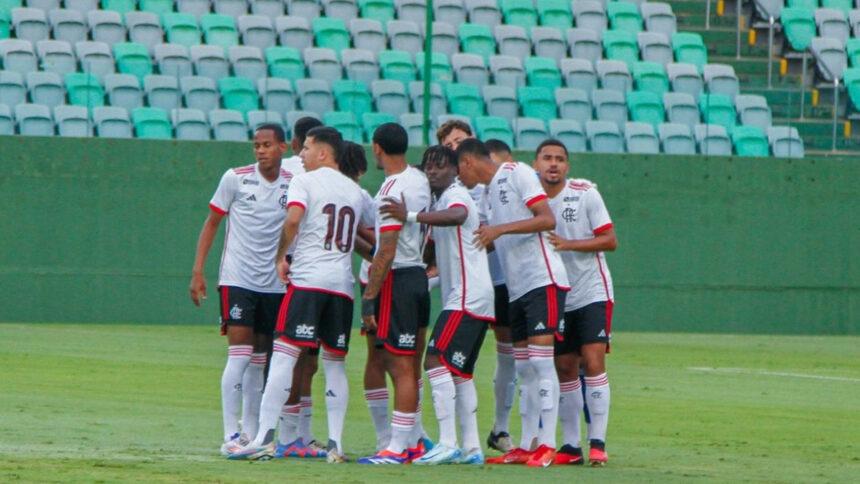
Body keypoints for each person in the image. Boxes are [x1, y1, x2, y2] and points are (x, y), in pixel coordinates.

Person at [228, 127, 370, 462]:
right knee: (335, 363)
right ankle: (335, 443)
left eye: (306, 148)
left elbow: (292, 221)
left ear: (323, 153)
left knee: (284, 355)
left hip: (307, 281)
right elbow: (367, 234)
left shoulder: (304, 182)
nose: (301, 154)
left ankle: (264, 437)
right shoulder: (356, 191)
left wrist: (280, 257)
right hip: (342, 287)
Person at [456, 139, 570, 467]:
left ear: (467, 163)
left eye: (460, 169)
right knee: (523, 367)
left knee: (541, 363)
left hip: (542, 280)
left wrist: (499, 229)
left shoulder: (517, 172)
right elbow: (493, 238)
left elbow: (546, 219)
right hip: (518, 288)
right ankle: (526, 443)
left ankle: (547, 444)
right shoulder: (490, 192)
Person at [380, 146, 493, 465]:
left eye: (441, 166)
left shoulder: (456, 195)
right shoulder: (440, 200)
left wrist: (410, 216)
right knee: (460, 374)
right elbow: (434, 244)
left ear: (456, 170)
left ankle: (447, 442)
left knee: (433, 360)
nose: (433, 171)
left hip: (467, 297)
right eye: (429, 166)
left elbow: (457, 216)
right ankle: (471, 448)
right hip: (471, 296)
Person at [189, 124, 296, 456]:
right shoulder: (234, 178)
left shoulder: (294, 184)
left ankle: (251, 432)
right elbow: (212, 222)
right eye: (256, 145)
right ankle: (229, 432)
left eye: (267, 145)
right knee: (239, 353)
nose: (261, 150)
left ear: (283, 147)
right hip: (238, 279)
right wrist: (198, 271)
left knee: (261, 358)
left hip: (275, 284)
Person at [534, 139, 617, 466]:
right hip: (557, 294)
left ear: (567, 166)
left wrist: (569, 244)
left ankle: (597, 442)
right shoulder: (531, 200)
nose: (553, 164)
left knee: (593, 360)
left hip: (592, 290)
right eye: (547, 158)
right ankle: (570, 446)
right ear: (536, 163)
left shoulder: (585, 194)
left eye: (559, 159)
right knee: (564, 366)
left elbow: (610, 240)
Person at [438, 124, 517, 453]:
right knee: (455, 361)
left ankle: (501, 428)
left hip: (501, 280)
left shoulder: (493, 181)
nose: (455, 147)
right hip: (463, 282)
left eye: (460, 141)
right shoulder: (447, 188)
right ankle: (454, 438)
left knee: (515, 357)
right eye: (449, 143)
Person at [357, 123, 432, 465]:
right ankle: (412, 440)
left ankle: (396, 447)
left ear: (377, 148)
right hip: (417, 276)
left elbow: (385, 251)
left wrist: (369, 297)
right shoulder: (419, 179)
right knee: (407, 363)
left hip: (398, 278)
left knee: (399, 365)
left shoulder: (392, 186)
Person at [275, 116, 329, 459]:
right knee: (301, 357)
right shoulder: (298, 174)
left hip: (293, 272)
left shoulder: (286, 172)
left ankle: (291, 433)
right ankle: (289, 434)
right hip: (302, 274)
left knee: (295, 357)